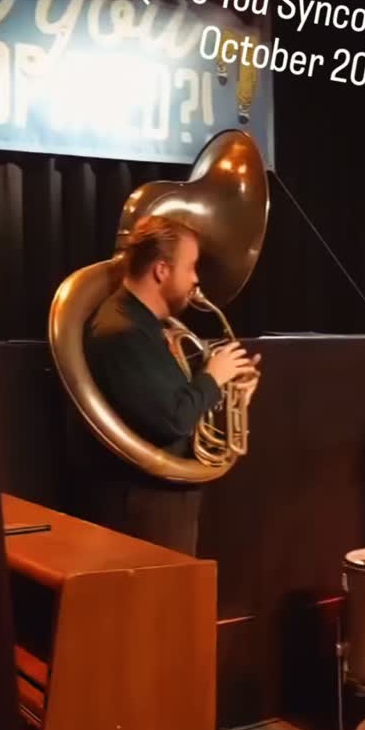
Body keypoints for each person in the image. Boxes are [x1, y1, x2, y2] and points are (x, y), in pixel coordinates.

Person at [79, 213, 259, 555]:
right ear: (161, 270)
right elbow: (171, 420)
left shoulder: (147, 326)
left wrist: (231, 395)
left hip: (161, 500)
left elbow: (177, 403)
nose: (196, 279)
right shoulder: (122, 333)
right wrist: (213, 377)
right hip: (142, 508)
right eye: (191, 267)